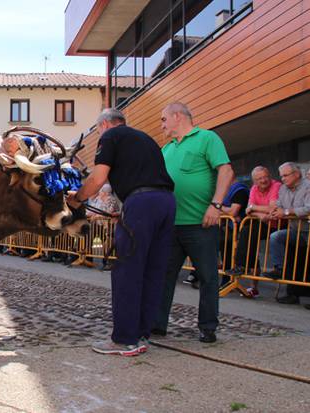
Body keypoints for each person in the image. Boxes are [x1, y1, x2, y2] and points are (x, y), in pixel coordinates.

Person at [69, 108, 175, 356]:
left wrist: (78, 199)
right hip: (166, 202)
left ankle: (124, 339)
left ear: (105, 124)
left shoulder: (110, 137)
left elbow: (97, 179)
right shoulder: (146, 139)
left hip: (141, 203)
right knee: (152, 271)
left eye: (98, 130)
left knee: (127, 270)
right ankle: (140, 334)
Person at [154, 102, 234, 344]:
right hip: (170, 226)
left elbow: (226, 170)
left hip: (201, 223)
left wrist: (216, 205)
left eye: (164, 119)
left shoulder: (207, 138)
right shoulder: (166, 149)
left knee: (208, 277)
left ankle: (208, 327)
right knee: (164, 276)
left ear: (177, 116)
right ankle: (157, 324)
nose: (162, 124)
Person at [226, 166, 281, 297]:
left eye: (265, 177)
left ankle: (241, 266)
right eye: (259, 178)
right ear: (254, 181)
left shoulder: (276, 185)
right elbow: (247, 211)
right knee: (247, 234)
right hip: (262, 222)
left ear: (270, 176)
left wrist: (254, 209)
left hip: (276, 224)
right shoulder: (254, 189)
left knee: (247, 233)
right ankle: (242, 268)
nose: (263, 180)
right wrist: (259, 214)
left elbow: (272, 208)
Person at [260, 162, 310, 306]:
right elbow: (280, 205)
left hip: (308, 229)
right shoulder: (283, 189)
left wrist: (287, 212)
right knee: (277, 237)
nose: (282, 178)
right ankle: (280, 270)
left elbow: (308, 208)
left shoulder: (308, 186)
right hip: (296, 230)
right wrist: (275, 213)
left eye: (285, 175)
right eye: (281, 176)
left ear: (296, 174)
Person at [87, 184, 120, 271]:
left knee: (108, 245)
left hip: (110, 226)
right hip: (98, 224)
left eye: (101, 191)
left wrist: (96, 216)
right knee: (89, 238)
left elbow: (108, 213)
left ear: (105, 192)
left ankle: (109, 262)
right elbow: (91, 210)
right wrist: (93, 215)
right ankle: (87, 257)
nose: (99, 192)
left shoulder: (111, 200)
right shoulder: (98, 199)